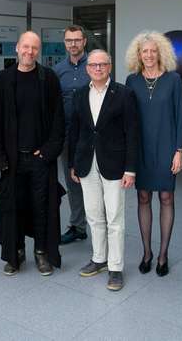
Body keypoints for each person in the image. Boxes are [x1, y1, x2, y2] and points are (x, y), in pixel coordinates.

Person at [0, 30, 66, 277]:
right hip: (12, 160)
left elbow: (58, 121)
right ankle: (16, 253)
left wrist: (46, 152)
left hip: (40, 159)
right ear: (17, 48)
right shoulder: (3, 79)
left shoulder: (49, 78)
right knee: (13, 207)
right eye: (25, 46)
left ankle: (41, 252)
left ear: (38, 51)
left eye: (34, 48)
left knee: (42, 207)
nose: (29, 51)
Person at [69, 49, 138, 291]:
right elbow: (74, 131)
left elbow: (132, 134)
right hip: (87, 163)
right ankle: (99, 258)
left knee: (115, 218)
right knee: (94, 215)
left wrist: (130, 169)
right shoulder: (79, 94)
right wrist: (73, 164)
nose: (97, 69)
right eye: (93, 65)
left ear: (109, 67)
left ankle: (115, 267)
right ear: (87, 68)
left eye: (102, 65)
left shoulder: (124, 94)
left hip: (115, 165)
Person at [125, 31, 182, 277]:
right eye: (144, 51)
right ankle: (147, 252)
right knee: (142, 198)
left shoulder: (173, 80)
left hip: (166, 146)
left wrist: (179, 151)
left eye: (153, 50)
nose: (149, 55)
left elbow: (181, 117)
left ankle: (163, 254)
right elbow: (127, 120)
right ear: (138, 55)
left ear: (161, 53)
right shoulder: (132, 81)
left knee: (166, 198)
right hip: (140, 148)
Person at [53, 25, 91, 245]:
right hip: (69, 136)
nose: (73, 44)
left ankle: (100, 226)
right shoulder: (58, 70)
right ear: (65, 43)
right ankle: (78, 226)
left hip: (93, 136)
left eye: (77, 40)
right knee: (73, 182)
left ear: (84, 41)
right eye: (69, 40)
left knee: (97, 181)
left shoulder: (96, 65)